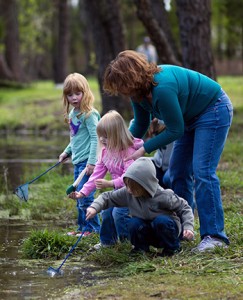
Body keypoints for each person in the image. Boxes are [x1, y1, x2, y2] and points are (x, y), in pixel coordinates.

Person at [103, 50, 233, 252]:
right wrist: (121, 145)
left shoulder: (162, 88)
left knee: (203, 172)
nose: (121, 91)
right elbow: (140, 123)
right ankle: (180, 230)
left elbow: (175, 129)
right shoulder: (137, 95)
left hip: (212, 110)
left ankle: (214, 236)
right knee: (178, 172)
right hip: (188, 119)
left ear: (132, 78)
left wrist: (143, 149)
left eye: (121, 85)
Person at [85, 157, 194, 256]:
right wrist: (94, 207)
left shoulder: (164, 195)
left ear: (145, 185)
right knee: (134, 223)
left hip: (166, 232)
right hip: (147, 232)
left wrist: (188, 227)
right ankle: (140, 249)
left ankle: (172, 248)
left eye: (133, 187)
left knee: (161, 221)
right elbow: (107, 197)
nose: (129, 190)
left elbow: (184, 207)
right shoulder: (128, 193)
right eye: (127, 186)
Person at [68, 110, 144, 249]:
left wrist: (110, 183)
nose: (102, 139)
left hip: (132, 191)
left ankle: (128, 244)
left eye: (106, 136)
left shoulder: (128, 151)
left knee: (119, 214)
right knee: (106, 211)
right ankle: (108, 242)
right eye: (100, 136)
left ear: (117, 135)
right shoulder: (105, 151)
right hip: (117, 191)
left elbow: (129, 176)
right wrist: (82, 193)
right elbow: (96, 175)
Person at [59, 72, 101, 237]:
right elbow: (75, 138)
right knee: (78, 197)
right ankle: (82, 229)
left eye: (78, 93)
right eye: (70, 95)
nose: (74, 97)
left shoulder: (90, 114)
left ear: (85, 92)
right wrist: (67, 152)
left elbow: (96, 139)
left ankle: (93, 230)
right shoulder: (73, 114)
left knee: (86, 197)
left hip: (87, 163)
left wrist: (92, 162)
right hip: (78, 162)